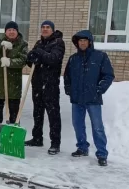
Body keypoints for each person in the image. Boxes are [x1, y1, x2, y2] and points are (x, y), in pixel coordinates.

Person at [64, 30, 115, 167]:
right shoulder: (73, 59)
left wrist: (99, 89)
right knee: (77, 125)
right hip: (77, 99)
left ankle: (102, 154)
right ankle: (82, 147)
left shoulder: (100, 57)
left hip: (93, 99)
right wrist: (69, 89)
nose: (82, 43)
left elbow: (108, 75)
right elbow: (67, 76)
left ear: (90, 42)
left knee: (97, 127)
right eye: (80, 41)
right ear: (77, 43)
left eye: (85, 41)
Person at [25, 20, 65, 155]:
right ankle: (37, 138)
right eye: (43, 27)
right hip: (37, 84)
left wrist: (39, 53)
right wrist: (30, 58)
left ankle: (55, 143)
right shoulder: (39, 43)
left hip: (50, 85)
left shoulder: (58, 43)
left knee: (53, 114)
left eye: (48, 27)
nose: (45, 29)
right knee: (37, 113)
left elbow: (53, 59)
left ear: (52, 30)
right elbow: (32, 62)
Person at [0, 21, 28, 142]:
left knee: (14, 111)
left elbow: (23, 60)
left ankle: (13, 133)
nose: (11, 32)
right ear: (5, 32)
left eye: (13, 30)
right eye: (9, 30)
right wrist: (1, 45)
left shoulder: (22, 44)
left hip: (14, 83)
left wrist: (10, 62)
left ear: (17, 31)